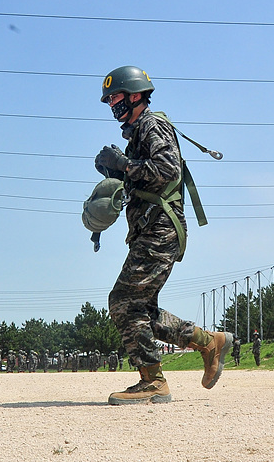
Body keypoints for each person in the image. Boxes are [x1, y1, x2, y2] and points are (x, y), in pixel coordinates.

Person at [95, 66, 230, 404]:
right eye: (109, 99)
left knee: (124, 302)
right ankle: (209, 342)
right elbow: (147, 178)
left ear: (136, 95)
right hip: (151, 229)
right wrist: (118, 173)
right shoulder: (139, 132)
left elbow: (167, 170)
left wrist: (125, 166)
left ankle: (153, 381)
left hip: (160, 229)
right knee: (141, 309)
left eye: (116, 97)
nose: (112, 104)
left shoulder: (153, 126)